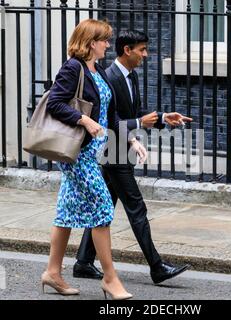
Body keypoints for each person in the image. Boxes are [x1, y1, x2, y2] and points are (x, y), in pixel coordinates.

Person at [73, 30, 193, 284]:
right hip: (112, 151)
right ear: (127, 50)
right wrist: (135, 130)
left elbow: (134, 112)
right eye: (142, 50)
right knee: (136, 207)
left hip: (121, 148)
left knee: (104, 206)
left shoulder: (131, 76)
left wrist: (162, 118)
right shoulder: (107, 77)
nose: (146, 55)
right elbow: (108, 119)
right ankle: (157, 266)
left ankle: (83, 262)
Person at [42, 19, 133, 300]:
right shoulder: (73, 68)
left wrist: (131, 138)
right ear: (91, 42)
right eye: (104, 39)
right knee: (103, 208)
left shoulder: (99, 71)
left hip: (94, 151)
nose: (108, 44)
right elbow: (55, 102)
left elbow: (110, 114)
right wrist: (83, 120)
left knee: (67, 211)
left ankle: (52, 273)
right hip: (78, 153)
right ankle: (110, 278)